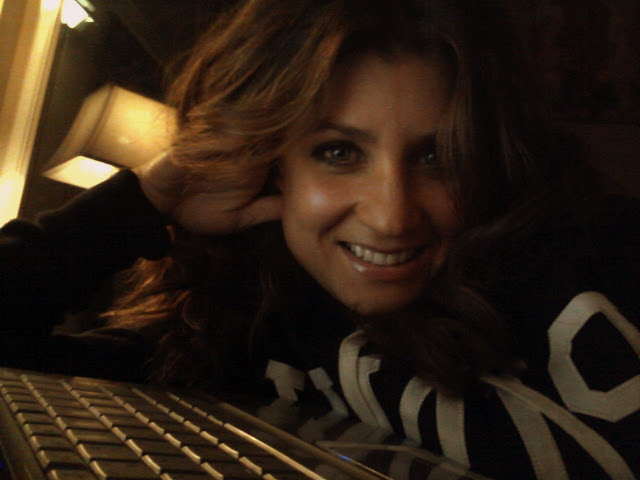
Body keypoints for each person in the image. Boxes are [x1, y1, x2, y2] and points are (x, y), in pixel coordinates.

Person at [1, 0, 638, 478]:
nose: (391, 217)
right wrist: (143, 200)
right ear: (272, 163)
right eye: (338, 152)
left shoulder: (600, 249)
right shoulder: (233, 343)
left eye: (437, 156)